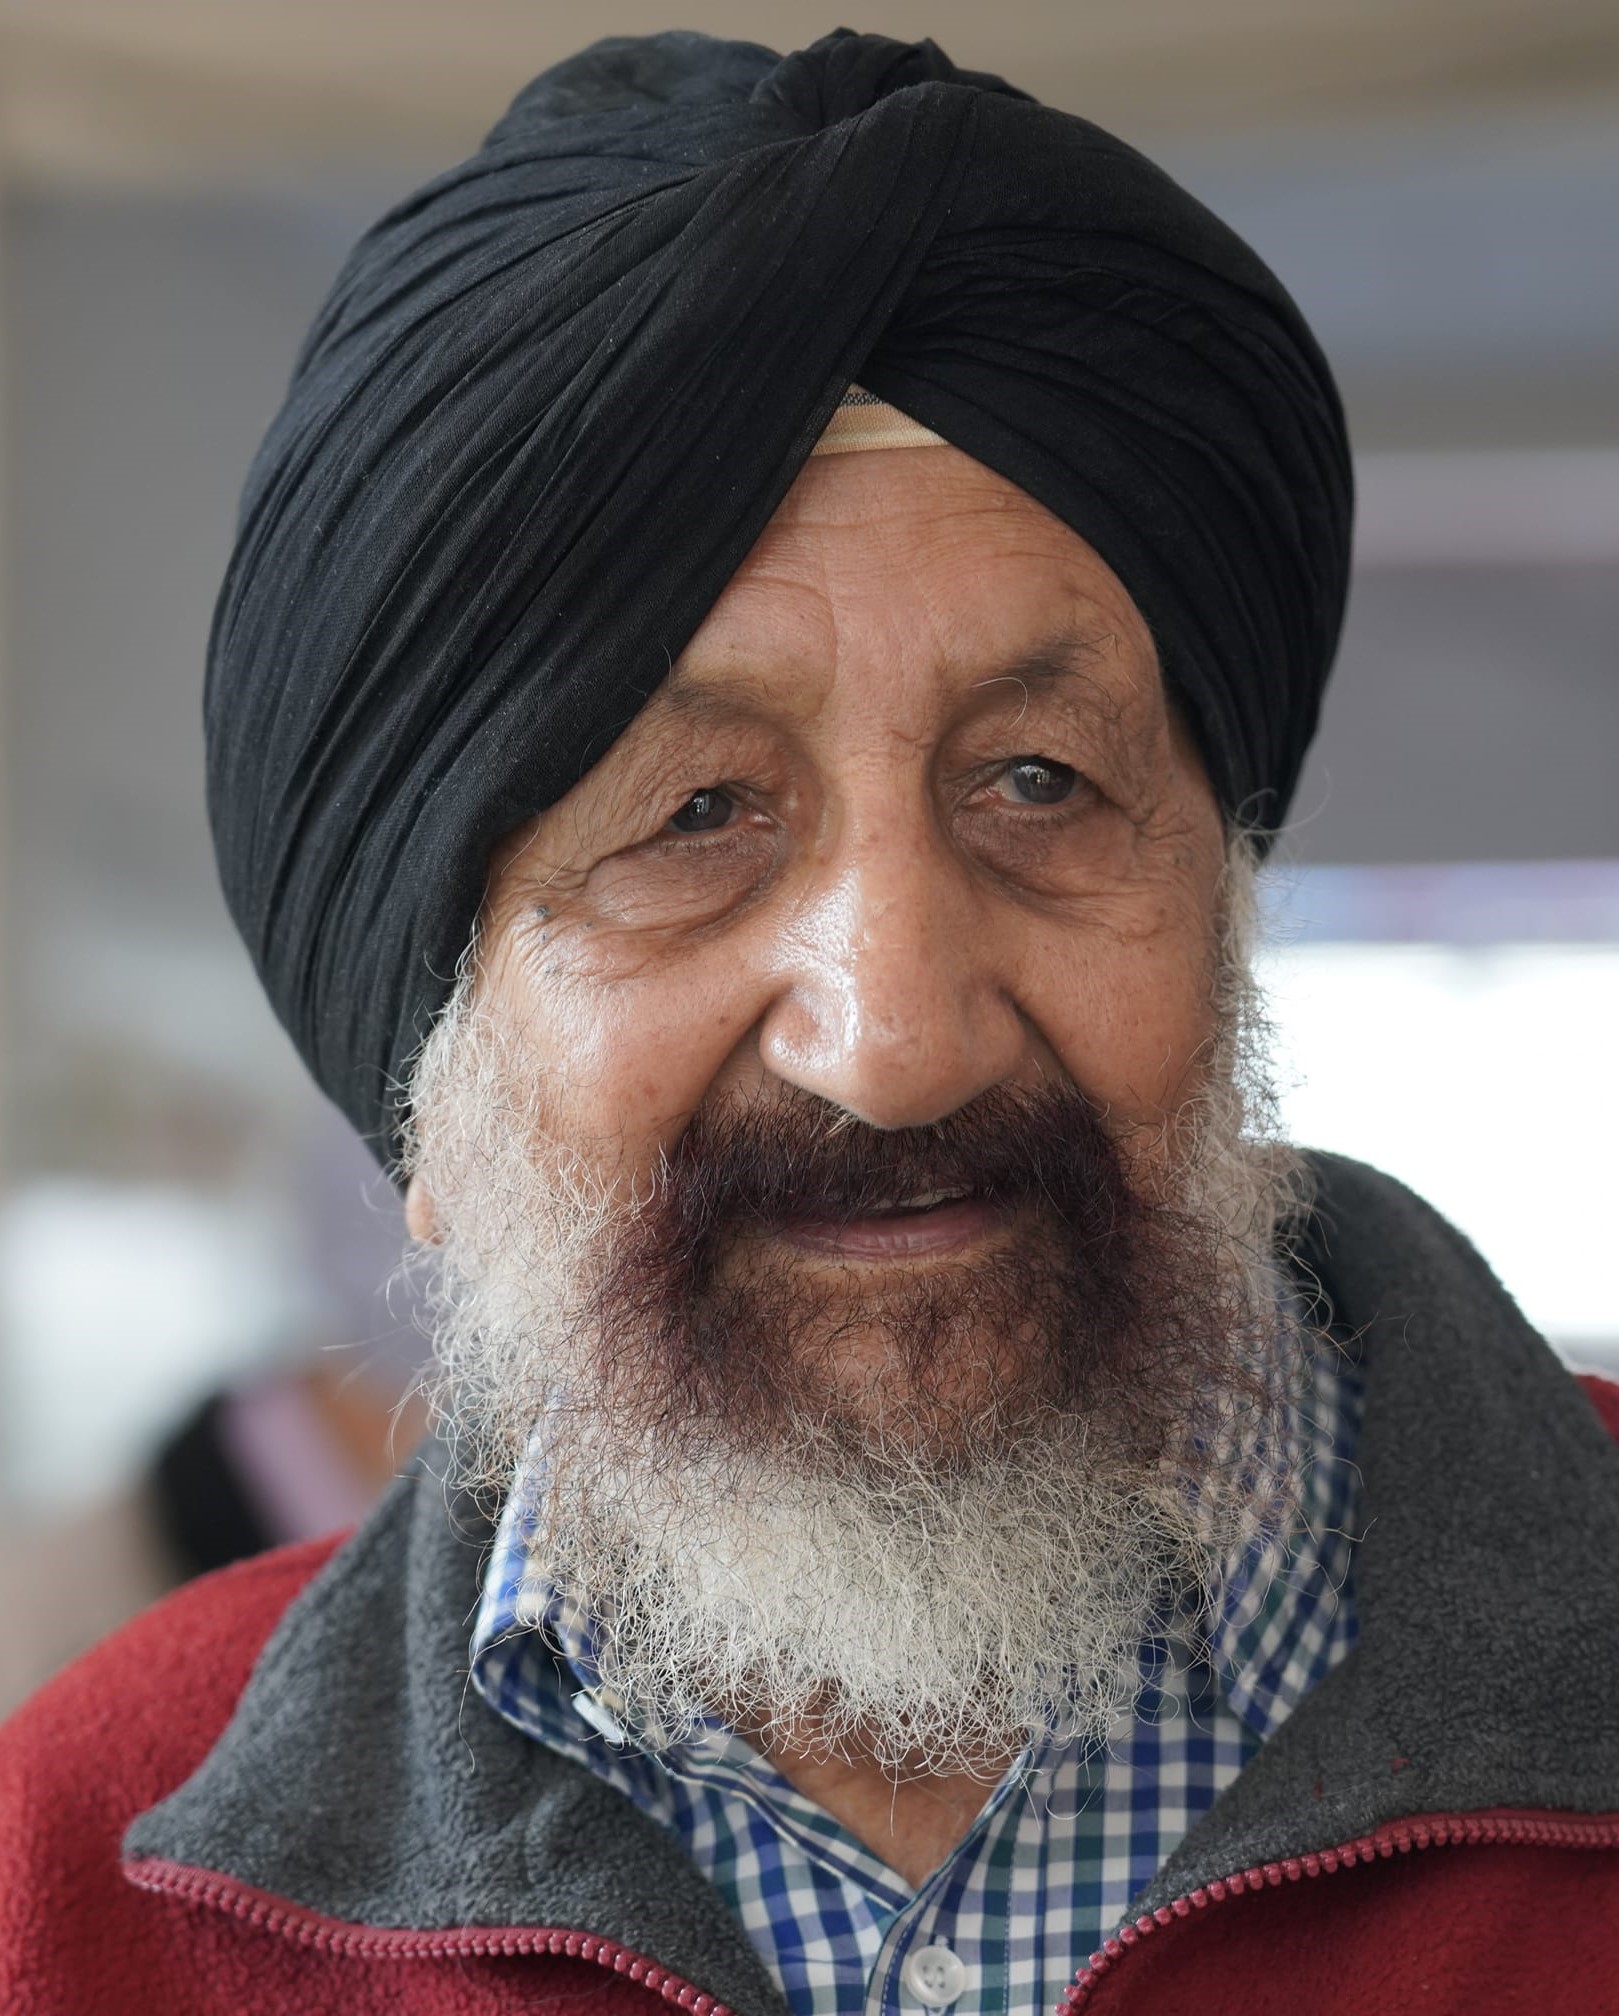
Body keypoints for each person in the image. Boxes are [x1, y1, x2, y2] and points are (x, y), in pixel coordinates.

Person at [3, 30, 1617, 2016]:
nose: (897, 1040)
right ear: (430, 1081)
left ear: (1223, 904)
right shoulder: (76, 1884)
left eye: (1039, 781)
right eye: (696, 817)